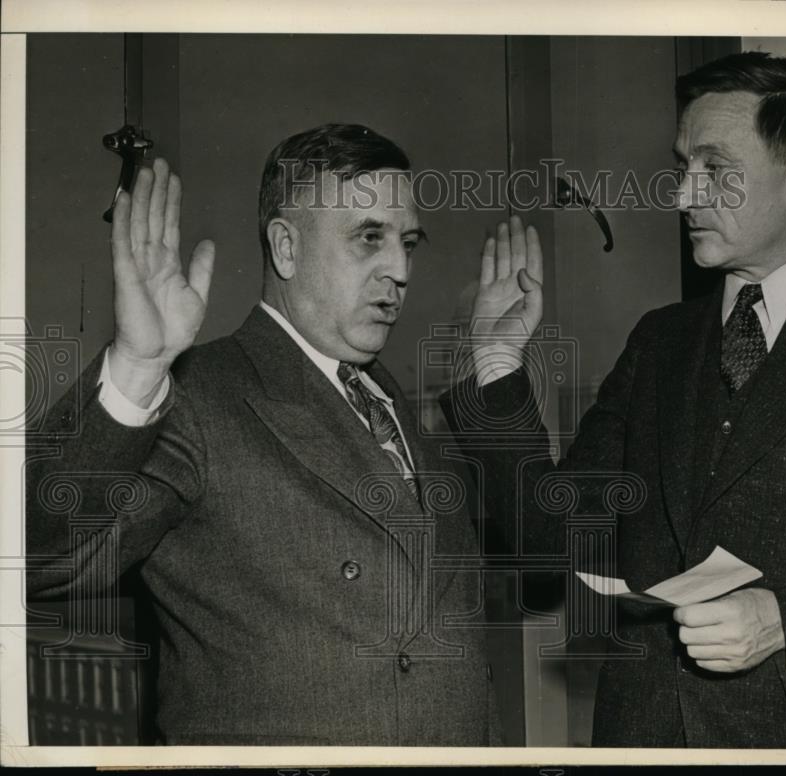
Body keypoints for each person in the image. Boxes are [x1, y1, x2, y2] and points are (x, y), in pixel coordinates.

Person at [440, 52, 786, 748]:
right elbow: (545, 539)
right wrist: (498, 367)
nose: (682, 195)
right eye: (684, 166)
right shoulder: (659, 341)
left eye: (714, 169)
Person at [27, 124, 499, 745]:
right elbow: (38, 560)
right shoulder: (198, 397)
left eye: (407, 241)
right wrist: (138, 368)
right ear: (286, 248)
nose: (400, 269)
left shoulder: (396, 410)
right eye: (369, 238)